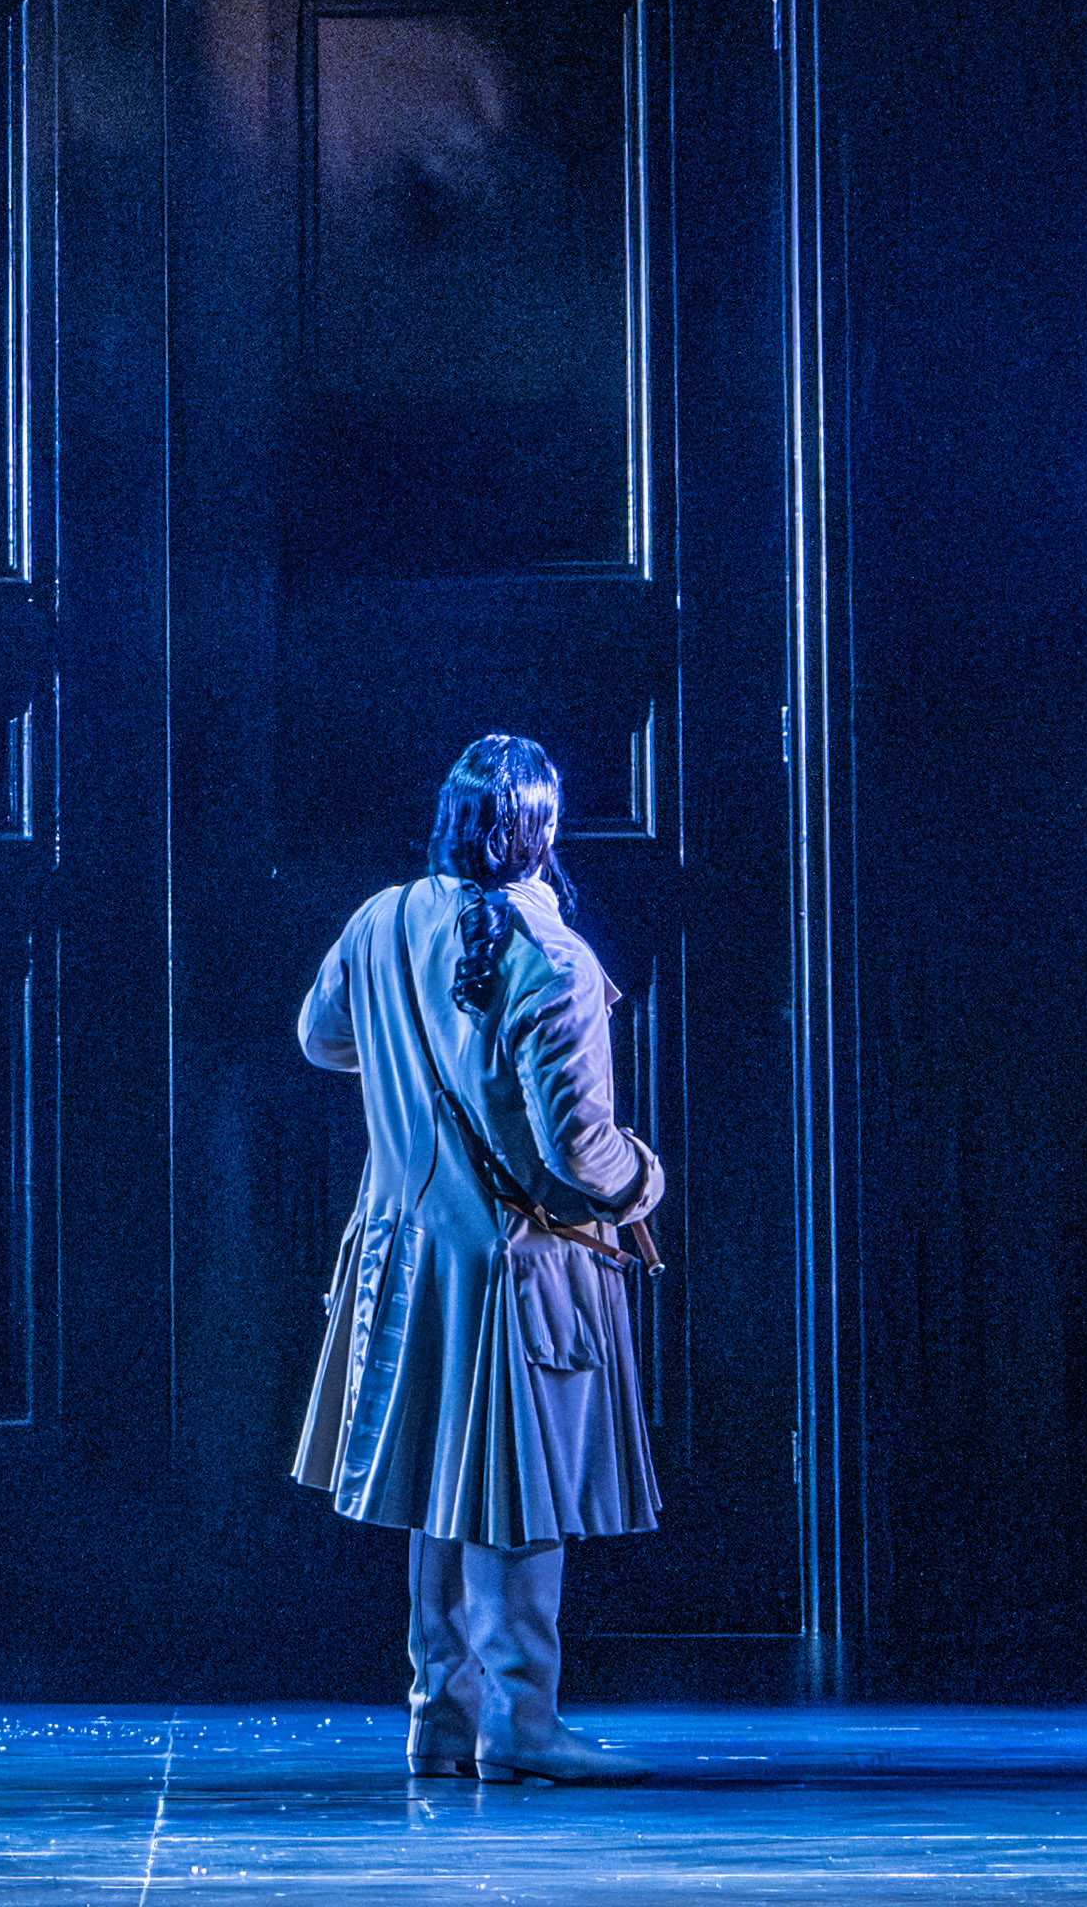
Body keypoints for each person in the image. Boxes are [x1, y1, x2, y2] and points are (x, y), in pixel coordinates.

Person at [291, 733, 663, 1784]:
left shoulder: (379, 922)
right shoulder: (555, 964)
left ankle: (438, 1716)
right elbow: (581, 1155)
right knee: (520, 1496)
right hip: (521, 1266)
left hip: (409, 1256)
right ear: (543, 832)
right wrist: (647, 1181)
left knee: (445, 1490)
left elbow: (320, 1037)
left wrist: (413, 1070)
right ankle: (522, 1724)